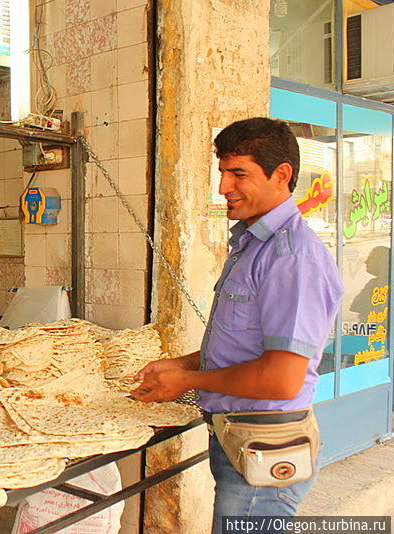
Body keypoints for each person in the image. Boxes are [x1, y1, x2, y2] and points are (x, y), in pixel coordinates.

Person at [131, 118, 343, 533]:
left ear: (281, 175)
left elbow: (281, 379)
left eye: (238, 173)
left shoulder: (291, 258)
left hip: (265, 444)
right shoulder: (251, 244)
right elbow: (248, 345)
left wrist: (190, 379)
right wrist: (181, 364)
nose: (224, 187)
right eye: (222, 172)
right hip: (239, 439)